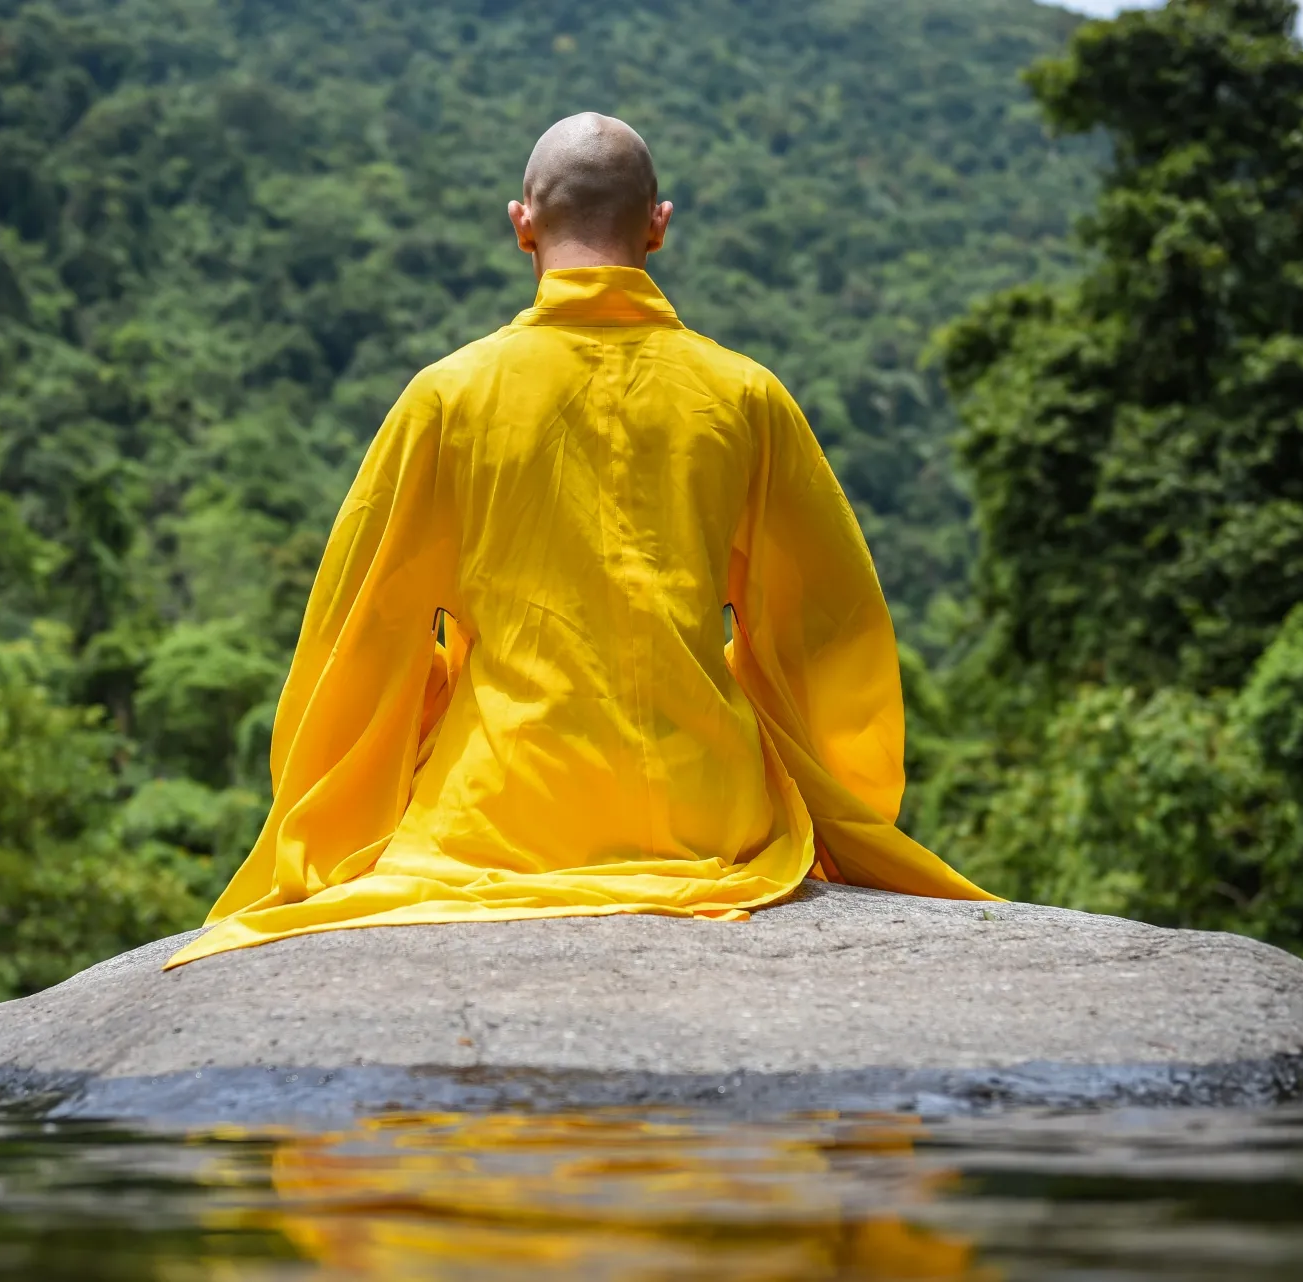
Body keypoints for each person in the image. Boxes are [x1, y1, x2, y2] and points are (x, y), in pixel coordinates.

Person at [167, 113, 995, 968]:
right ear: (657, 224)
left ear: (522, 224)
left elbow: (364, 635)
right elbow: (828, 631)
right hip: (707, 816)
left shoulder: (447, 397)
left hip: (497, 820)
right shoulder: (746, 397)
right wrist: (830, 801)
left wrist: (396, 755)